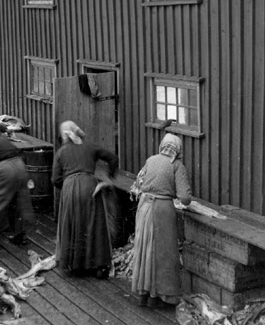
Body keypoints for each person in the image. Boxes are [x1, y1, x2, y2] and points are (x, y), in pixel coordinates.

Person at [130, 133, 192, 307]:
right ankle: (163, 297)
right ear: (178, 150)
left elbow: (139, 183)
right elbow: (185, 197)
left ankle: (144, 295)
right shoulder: (177, 165)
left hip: (144, 208)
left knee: (145, 249)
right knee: (164, 253)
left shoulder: (151, 160)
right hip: (162, 210)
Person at [52, 120, 119, 279]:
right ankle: (100, 265)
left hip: (69, 188)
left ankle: (73, 265)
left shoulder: (61, 152)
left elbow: (55, 179)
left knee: (72, 224)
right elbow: (112, 158)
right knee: (94, 225)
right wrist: (110, 176)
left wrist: (68, 188)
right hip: (90, 186)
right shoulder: (90, 147)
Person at [0, 133, 35, 246]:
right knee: (20, 202)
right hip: (20, 165)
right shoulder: (0, 140)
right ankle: (20, 235)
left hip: (6, 168)